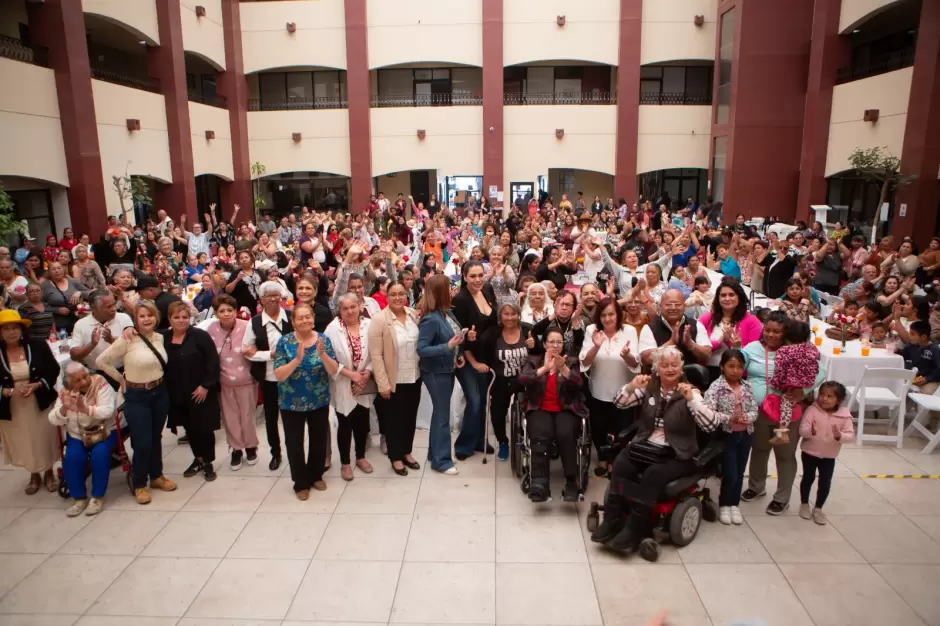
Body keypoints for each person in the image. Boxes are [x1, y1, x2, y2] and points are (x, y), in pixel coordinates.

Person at [591, 346, 721, 552]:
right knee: (621, 463)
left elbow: (711, 425)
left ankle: (635, 529)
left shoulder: (690, 391)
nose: (670, 369)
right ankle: (612, 519)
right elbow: (619, 403)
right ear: (656, 369)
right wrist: (631, 387)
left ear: (681, 367)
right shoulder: (650, 387)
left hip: (677, 453)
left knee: (653, 474)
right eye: (664, 365)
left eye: (674, 365)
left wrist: (692, 401)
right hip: (645, 445)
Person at [740, 311, 827, 515]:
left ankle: (782, 498)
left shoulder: (797, 351)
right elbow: (736, 361)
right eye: (767, 330)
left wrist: (802, 390)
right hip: (759, 412)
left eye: (776, 331)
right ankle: (756, 486)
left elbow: (821, 371)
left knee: (785, 455)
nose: (770, 335)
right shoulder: (753, 348)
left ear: (785, 333)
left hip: (789, 412)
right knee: (759, 449)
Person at [96, 301, 178, 505]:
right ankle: (139, 482)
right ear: (136, 319)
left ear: (156, 317)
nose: (147, 319)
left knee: (155, 437)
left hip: (159, 393)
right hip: (136, 396)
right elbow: (101, 361)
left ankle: (157, 476)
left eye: (150, 315)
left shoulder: (160, 337)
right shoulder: (128, 339)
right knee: (142, 442)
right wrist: (121, 380)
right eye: (142, 316)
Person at [273, 304, 341, 499]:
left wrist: (322, 355)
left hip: (318, 400)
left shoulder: (323, 340)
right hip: (291, 402)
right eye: (300, 318)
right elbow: (279, 374)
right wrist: (296, 360)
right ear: (293, 322)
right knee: (294, 442)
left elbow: (333, 369)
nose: (305, 321)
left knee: (319, 439)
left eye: (308, 317)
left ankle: (315, 474)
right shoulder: (284, 342)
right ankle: (300, 482)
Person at [518, 328, 587, 503]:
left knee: (565, 434)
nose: (555, 346)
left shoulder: (571, 361)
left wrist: (563, 368)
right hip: (539, 408)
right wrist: (545, 368)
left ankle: (572, 482)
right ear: (544, 343)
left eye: (559, 342)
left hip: (566, 409)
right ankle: (540, 483)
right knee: (541, 434)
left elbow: (579, 383)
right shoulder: (534, 360)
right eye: (551, 342)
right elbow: (523, 380)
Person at [0, 309, 60, 495]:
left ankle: (49, 472)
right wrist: (9, 391)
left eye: (15, 328)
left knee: (44, 437)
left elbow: (53, 369)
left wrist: (37, 385)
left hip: (38, 400)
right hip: (12, 405)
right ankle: (33, 474)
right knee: (24, 440)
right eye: (6, 328)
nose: (12, 332)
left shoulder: (37, 345)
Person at [160, 302, 221, 481]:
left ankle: (208, 461)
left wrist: (206, 386)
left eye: (185, 317)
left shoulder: (200, 336)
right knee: (189, 428)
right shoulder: (163, 337)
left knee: (204, 428)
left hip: (200, 391)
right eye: (176, 317)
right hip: (176, 392)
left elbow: (213, 362)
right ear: (169, 319)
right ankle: (198, 458)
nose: (181, 320)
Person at [579, 297, 640, 476]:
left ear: (618, 315)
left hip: (624, 391)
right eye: (603, 315)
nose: (607, 319)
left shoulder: (628, 331)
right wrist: (596, 347)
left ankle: (616, 461)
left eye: (611, 314)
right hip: (598, 389)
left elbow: (635, 363)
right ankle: (603, 458)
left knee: (621, 427)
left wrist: (627, 354)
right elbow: (584, 361)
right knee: (599, 426)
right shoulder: (592, 330)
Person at [48, 363, 118, 516]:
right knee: (72, 457)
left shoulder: (100, 383)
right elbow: (53, 419)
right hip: (77, 434)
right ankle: (79, 498)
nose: (84, 382)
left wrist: (85, 409)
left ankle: (97, 497)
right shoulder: (65, 392)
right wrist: (64, 408)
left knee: (99, 454)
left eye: (85, 377)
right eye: (77, 380)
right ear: (69, 382)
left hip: (104, 431)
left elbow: (107, 410)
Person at [369, 281, 422, 475]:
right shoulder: (379, 320)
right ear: (387, 296)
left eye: (401, 294)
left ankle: (407, 452)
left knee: (410, 418)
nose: (398, 298)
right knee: (394, 421)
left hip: (414, 377)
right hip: (393, 380)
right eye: (393, 294)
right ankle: (396, 456)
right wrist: (383, 384)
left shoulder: (412, 314)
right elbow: (376, 355)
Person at [417, 274, 466, 475]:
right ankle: (442, 460)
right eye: (449, 287)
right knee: (442, 416)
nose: (453, 290)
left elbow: (453, 338)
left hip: (447, 368)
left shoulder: (446, 313)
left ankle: (435, 453)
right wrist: (448, 346)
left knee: (439, 413)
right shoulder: (430, 318)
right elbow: (422, 349)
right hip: (436, 372)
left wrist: (458, 352)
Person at [324, 293, 376, 481]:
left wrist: (366, 374)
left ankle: (360, 457)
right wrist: (350, 374)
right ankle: (345, 463)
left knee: (362, 423)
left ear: (360, 306)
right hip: (342, 382)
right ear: (340, 310)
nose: (350, 311)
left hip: (363, 382)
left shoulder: (369, 325)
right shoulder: (332, 329)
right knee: (344, 424)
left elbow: (375, 354)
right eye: (345, 308)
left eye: (353, 306)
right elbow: (328, 360)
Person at [703, 349, 757, 525]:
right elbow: (709, 413)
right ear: (721, 367)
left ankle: (735, 504)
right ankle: (725, 503)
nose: (735, 371)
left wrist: (747, 417)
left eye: (739, 367)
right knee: (730, 473)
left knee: (741, 471)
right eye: (731, 366)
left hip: (745, 433)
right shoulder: (716, 388)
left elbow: (754, 410)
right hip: (726, 435)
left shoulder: (747, 386)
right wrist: (728, 418)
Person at [205, 294, 258, 470]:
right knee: (230, 418)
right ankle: (236, 449)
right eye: (222, 311)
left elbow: (257, 346)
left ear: (236, 311)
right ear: (216, 313)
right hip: (224, 381)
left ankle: (251, 447)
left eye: (230, 310)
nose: (226, 314)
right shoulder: (210, 329)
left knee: (247, 416)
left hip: (247, 380)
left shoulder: (246, 326)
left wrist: (253, 349)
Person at [452, 260, 498, 460]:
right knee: (475, 401)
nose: (478, 280)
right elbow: (460, 337)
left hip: (488, 356)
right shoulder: (461, 300)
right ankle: (464, 445)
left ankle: (480, 440)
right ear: (464, 277)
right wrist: (473, 361)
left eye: (480, 275)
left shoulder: (487, 289)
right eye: (473, 276)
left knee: (484, 400)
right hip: (468, 359)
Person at [243, 281, 292, 470]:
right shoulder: (254, 323)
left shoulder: (290, 317)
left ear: (281, 297)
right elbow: (247, 351)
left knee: (291, 417)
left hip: (290, 376)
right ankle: (276, 453)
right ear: (262, 299)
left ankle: (293, 450)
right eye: (268, 296)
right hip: (269, 378)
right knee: (271, 418)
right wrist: (269, 355)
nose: (273, 299)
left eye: (276, 295)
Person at [798, 381, 855, 526]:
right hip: (809, 453)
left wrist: (839, 436)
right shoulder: (812, 410)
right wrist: (811, 431)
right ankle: (804, 504)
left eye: (830, 396)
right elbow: (802, 430)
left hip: (829, 456)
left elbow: (850, 436)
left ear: (839, 400)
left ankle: (818, 508)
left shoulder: (845, 415)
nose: (824, 398)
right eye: (822, 394)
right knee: (808, 478)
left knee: (825, 482)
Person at [699, 279, 763, 380]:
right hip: (707, 372)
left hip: (737, 375)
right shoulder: (706, 319)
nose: (727, 298)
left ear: (739, 297)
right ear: (718, 298)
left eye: (731, 295)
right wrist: (720, 342)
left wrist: (731, 344)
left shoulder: (752, 322)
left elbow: (753, 355)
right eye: (723, 295)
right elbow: (699, 348)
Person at [638, 289, 712, 367]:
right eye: (668, 304)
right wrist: (670, 343)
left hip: (690, 377)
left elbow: (707, 354)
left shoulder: (696, 324)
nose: (673, 308)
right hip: (660, 378)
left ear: (684, 306)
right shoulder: (649, 328)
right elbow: (646, 358)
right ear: (660, 306)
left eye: (677, 304)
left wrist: (691, 344)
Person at [41, 260, 87, 334]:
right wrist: (56, 310)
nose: (57, 271)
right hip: (58, 325)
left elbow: (90, 293)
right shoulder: (45, 286)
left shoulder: (73, 282)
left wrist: (79, 292)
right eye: (53, 269)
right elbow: (39, 306)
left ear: (63, 269)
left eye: (59, 268)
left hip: (77, 320)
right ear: (49, 272)